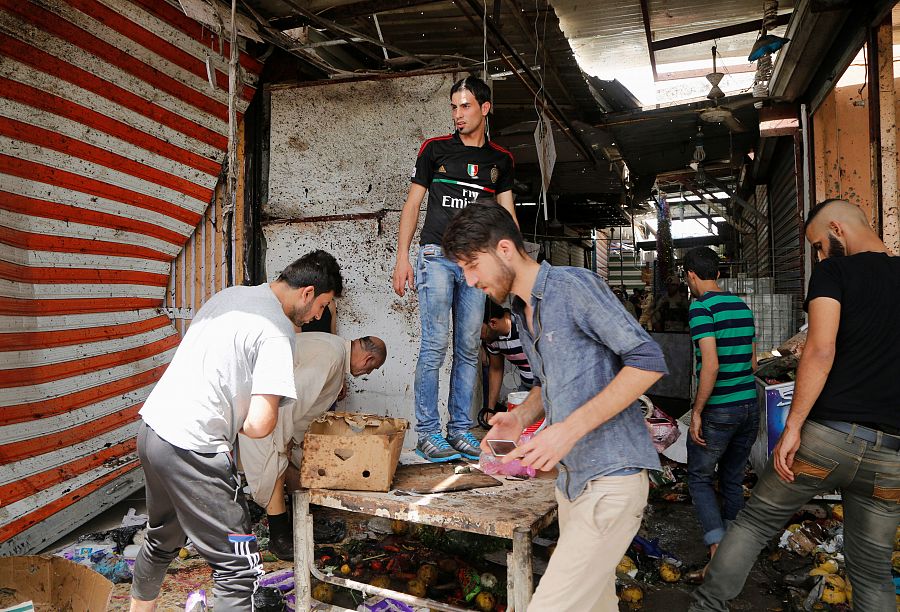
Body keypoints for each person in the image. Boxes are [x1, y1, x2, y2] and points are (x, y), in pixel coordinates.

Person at [442, 202, 668, 612]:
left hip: (611, 480)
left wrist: (566, 430)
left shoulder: (571, 286)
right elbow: (551, 385)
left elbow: (647, 361)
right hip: (572, 486)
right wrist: (520, 417)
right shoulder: (523, 311)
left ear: (505, 249)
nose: (470, 280)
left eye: (472, 265)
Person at [690, 199, 900, 612]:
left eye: (819, 244)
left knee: (752, 525)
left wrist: (792, 427)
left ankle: (707, 606)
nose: (819, 254)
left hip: (827, 440)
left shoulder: (833, 272)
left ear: (837, 229)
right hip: (891, 455)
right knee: (873, 570)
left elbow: (820, 351)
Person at [131, 251, 343, 612]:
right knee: (238, 569)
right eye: (322, 305)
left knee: (162, 538)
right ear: (307, 293)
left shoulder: (231, 296)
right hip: (193, 447)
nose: (318, 317)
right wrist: (248, 414)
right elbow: (259, 425)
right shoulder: (277, 331)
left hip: (153, 429)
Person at [391, 75, 517, 462]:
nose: (458, 114)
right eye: (453, 107)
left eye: (465, 106)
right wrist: (402, 257)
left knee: (467, 347)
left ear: (484, 108)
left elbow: (508, 214)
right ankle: (428, 433)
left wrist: (511, 266)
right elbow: (413, 204)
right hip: (437, 257)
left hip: (477, 265)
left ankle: (459, 429)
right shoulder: (435, 149)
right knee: (434, 347)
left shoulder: (501, 160)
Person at [238, 333, 387, 560]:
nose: (367, 373)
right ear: (368, 360)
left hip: (267, 408)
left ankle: (299, 521)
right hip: (264, 411)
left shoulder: (334, 348)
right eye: (371, 369)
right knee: (275, 466)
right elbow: (292, 400)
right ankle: (280, 540)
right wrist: (282, 440)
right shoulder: (331, 357)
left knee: (296, 463)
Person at [682, 246, 758, 563]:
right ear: (717, 272)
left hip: (720, 409)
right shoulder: (741, 306)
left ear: (690, 275)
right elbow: (752, 363)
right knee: (732, 478)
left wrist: (697, 412)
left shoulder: (701, 308)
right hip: (749, 406)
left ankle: (717, 549)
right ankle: (735, 553)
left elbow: (710, 366)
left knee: (699, 478)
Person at [481, 300, 537, 409]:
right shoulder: (492, 340)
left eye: (478, 331)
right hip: (526, 387)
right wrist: (490, 410)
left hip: (549, 388)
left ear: (493, 323)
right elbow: (496, 369)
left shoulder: (525, 325)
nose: (477, 336)